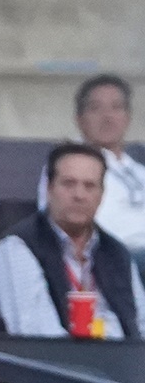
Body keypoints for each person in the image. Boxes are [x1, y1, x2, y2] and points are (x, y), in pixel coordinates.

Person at [0, 142, 144, 340]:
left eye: (89, 186)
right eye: (69, 184)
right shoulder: (17, 247)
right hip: (54, 367)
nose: (79, 195)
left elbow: (140, 326)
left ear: (101, 195)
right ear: (49, 189)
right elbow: (39, 338)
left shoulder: (117, 253)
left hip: (121, 364)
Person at [36, 75, 145, 260]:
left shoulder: (137, 170)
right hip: (110, 258)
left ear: (127, 117)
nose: (108, 117)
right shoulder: (69, 164)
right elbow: (93, 228)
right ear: (79, 119)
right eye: (96, 108)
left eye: (116, 108)